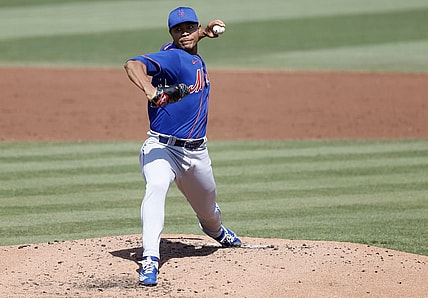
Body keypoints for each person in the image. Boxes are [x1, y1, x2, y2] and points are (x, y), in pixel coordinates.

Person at [124, 7, 242, 286]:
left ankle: (216, 232)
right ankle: (150, 258)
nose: (185, 33)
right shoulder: (173, 57)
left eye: (190, 27)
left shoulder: (189, 52)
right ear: (171, 34)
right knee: (156, 187)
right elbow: (132, 65)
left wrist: (205, 33)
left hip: (196, 153)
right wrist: (151, 91)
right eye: (179, 29)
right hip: (161, 149)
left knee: (209, 212)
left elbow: (189, 41)